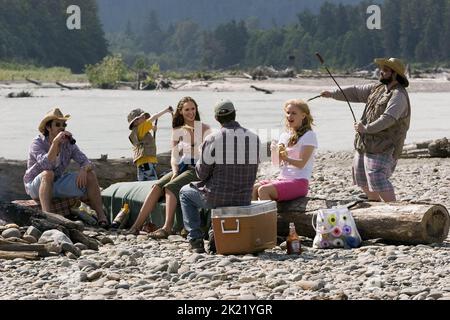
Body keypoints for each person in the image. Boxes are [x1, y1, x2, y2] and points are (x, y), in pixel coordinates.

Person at [321, 57, 411, 202]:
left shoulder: (399, 95)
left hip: (385, 146)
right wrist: (332, 93)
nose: (381, 72)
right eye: (382, 69)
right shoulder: (377, 89)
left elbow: (388, 119)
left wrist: (366, 128)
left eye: (386, 70)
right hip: (365, 143)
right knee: (360, 176)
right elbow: (355, 92)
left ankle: (394, 209)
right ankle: (375, 206)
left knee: (377, 177)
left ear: (395, 74)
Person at [179, 100, 260, 253]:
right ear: (235, 113)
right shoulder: (254, 138)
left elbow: (201, 174)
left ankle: (195, 240)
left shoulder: (212, 139)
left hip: (218, 197)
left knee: (185, 193)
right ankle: (215, 234)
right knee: (214, 184)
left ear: (216, 118)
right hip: (243, 198)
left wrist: (199, 156)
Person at [127, 97, 211, 238]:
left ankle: (167, 228)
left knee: (170, 187)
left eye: (193, 109)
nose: (191, 112)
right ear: (181, 111)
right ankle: (135, 226)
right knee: (156, 187)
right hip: (182, 167)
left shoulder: (205, 128)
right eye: (187, 110)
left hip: (197, 169)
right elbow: (174, 155)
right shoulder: (178, 130)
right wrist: (175, 171)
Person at [23, 108, 109, 227]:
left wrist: (84, 169)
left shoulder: (68, 143)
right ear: (48, 128)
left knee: (90, 174)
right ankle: (47, 216)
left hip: (56, 183)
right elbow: (46, 165)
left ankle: (102, 217)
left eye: (64, 125)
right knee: (48, 173)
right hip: (36, 186)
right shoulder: (37, 143)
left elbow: (86, 161)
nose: (62, 127)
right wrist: (55, 143)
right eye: (57, 124)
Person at [253, 99, 317, 201]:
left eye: (294, 113)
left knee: (263, 190)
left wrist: (285, 158)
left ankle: (270, 217)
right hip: (282, 178)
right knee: (254, 188)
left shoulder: (309, 135)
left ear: (303, 116)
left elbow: (302, 164)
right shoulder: (284, 135)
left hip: (299, 181)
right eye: (288, 113)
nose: (289, 116)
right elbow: (276, 163)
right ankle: (256, 217)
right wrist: (274, 152)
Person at [127, 106, 173, 181]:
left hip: (142, 162)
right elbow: (153, 118)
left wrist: (152, 128)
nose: (145, 118)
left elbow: (148, 126)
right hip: (146, 162)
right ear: (135, 121)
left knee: (143, 182)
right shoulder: (141, 128)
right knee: (152, 181)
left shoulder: (138, 130)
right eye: (142, 117)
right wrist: (166, 110)